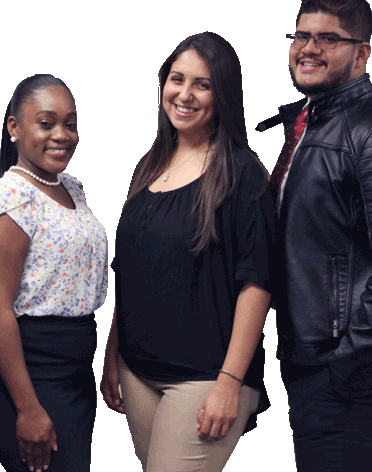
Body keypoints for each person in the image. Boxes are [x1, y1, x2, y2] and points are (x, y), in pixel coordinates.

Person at [256, 0, 372, 471]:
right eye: (301, 36)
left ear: (362, 53)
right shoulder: (309, 123)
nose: (309, 48)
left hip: (354, 368)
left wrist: (343, 365)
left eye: (328, 39)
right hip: (317, 358)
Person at [101, 32, 276, 472]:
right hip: (137, 372)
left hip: (205, 378)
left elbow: (258, 282)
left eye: (203, 84)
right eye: (177, 79)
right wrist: (112, 355)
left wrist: (230, 382)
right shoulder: (148, 166)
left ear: (224, 95)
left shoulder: (242, 173)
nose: (185, 94)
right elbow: (132, 272)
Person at [0, 74, 108, 472]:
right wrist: (28, 408)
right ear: (14, 127)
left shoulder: (73, 188)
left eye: (71, 124)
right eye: (46, 123)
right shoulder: (8, 197)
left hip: (74, 372)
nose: (62, 135)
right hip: (28, 375)